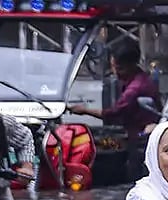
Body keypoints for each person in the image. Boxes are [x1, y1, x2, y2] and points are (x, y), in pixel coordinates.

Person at [67, 38, 161, 182]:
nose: (115, 72)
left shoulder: (135, 88)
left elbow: (114, 112)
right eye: (113, 67)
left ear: (131, 65)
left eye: (119, 68)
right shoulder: (136, 78)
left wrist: (84, 110)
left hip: (142, 140)